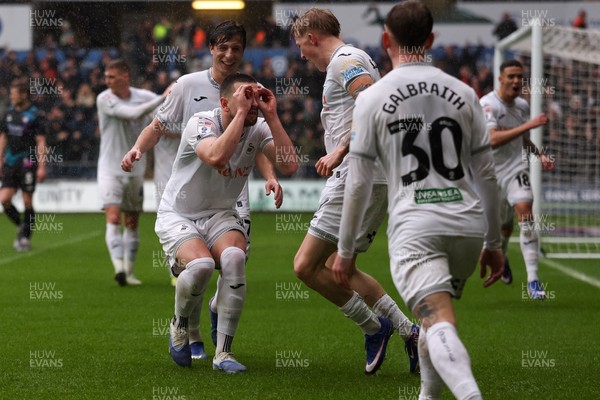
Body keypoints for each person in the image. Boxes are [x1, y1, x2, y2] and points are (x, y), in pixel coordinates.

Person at [332, 1, 504, 399]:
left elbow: (357, 184)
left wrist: (344, 250)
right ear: (430, 40)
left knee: (437, 317)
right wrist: (494, 243)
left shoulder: (372, 99)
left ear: (385, 39)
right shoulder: (465, 93)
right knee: (431, 321)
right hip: (466, 226)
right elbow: (488, 176)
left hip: (417, 227)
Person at [122, 21, 281, 361]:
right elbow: (157, 125)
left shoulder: (253, 90)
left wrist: (271, 175)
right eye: (222, 47)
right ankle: (190, 332)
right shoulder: (187, 86)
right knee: (199, 267)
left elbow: (258, 144)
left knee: (233, 262)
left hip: (232, 194)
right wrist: (138, 149)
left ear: (242, 52)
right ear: (210, 48)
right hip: (190, 193)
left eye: (235, 48)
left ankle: (221, 325)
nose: (228, 54)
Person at [290, 8, 419, 375]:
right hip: (370, 175)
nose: (301, 55)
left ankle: (375, 328)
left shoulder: (345, 60)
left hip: (355, 175)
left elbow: (371, 102)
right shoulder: (350, 60)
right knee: (338, 267)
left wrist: (340, 149)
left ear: (313, 38)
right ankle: (411, 333)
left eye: (302, 45)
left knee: (305, 266)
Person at [156, 73, 297, 371]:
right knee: (202, 266)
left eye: (256, 99)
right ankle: (179, 325)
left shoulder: (257, 125)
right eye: (245, 98)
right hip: (179, 213)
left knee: (235, 257)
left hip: (221, 212)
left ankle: (224, 354)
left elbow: (289, 164)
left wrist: (272, 117)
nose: (253, 105)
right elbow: (217, 156)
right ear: (225, 103)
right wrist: (243, 112)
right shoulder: (201, 123)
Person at [480, 59, 554, 298]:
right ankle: (502, 258)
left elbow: (521, 138)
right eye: (511, 76)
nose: (516, 81)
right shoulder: (487, 104)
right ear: (500, 78)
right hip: (490, 175)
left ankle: (533, 281)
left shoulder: (521, 105)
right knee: (503, 227)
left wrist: (539, 154)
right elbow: (492, 139)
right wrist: (530, 125)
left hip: (515, 169)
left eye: (520, 77)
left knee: (525, 212)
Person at [96, 59, 169, 287]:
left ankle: (129, 271)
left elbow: (164, 116)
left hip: (135, 168)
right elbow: (131, 113)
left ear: (125, 75)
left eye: (112, 76)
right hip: (109, 168)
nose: (107, 81)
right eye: (106, 77)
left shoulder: (144, 96)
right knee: (114, 217)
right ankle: (118, 269)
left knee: (132, 222)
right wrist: (164, 96)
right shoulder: (104, 98)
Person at [0, 81, 47, 252]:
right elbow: (3, 138)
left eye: (14, 94)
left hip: (27, 162)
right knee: (4, 199)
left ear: (24, 95)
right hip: (10, 163)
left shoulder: (35, 115)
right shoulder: (8, 114)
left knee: (27, 200)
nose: (11, 96)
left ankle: (25, 237)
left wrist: (42, 166)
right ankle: (22, 225)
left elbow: (41, 142)